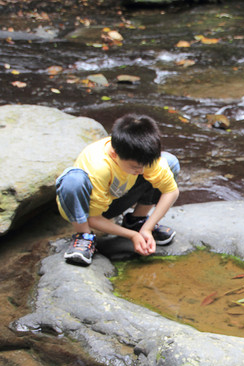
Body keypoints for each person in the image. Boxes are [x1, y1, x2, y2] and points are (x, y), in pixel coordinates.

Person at [55, 113, 180, 266]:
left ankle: (137, 221)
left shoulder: (143, 156)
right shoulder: (99, 166)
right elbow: (93, 218)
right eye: (135, 167)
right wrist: (132, 236)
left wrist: (146, 229)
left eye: (145, 166)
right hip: (89, 209)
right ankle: (84, 235)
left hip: (117, 197)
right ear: (114, 154)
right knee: (72, 180)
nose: (141, 170)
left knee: (170, 162)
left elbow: (171, 191)